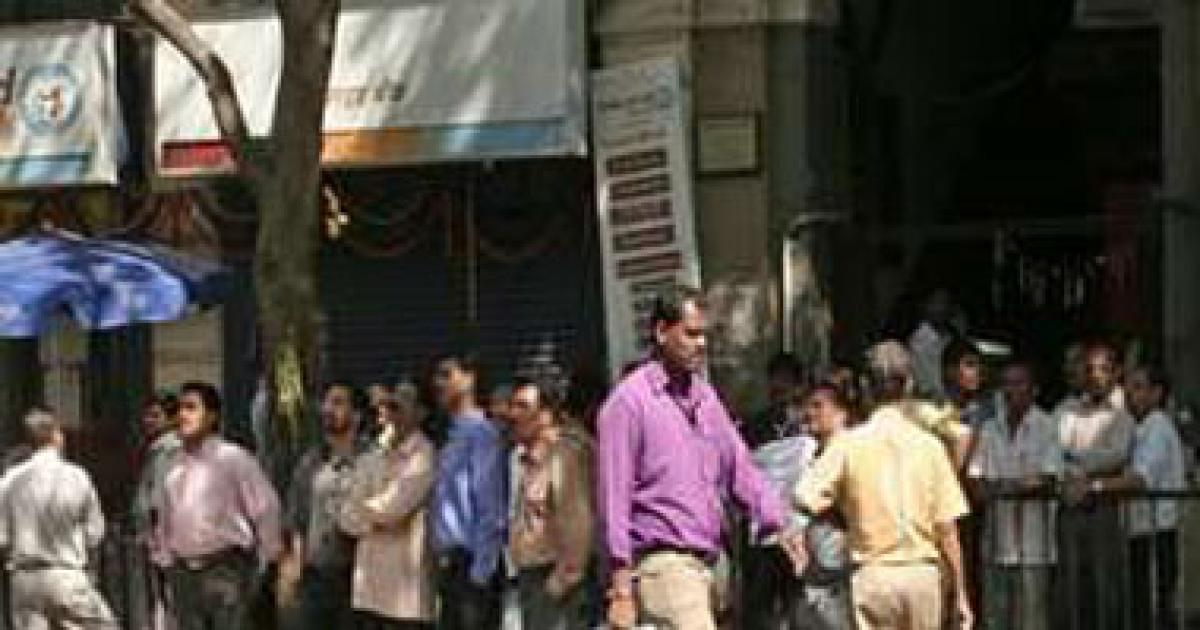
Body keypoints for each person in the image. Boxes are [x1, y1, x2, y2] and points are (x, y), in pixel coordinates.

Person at [595, 286, 805, 630]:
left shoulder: (704, 398)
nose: (702, 344)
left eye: (705, 335)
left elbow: (740, 468)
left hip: (713, 564)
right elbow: (613, 499)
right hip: (665, 566)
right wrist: (620, 586)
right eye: (691, 334)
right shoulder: (629, 403)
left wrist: (778, 522)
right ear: (661, 332)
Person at [794, 341, 972, 630]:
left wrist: (844, 513)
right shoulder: (929, 447)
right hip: (922, 576)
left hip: (873, 575)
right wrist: (961, 594)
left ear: (865, 387)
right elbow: (947, 530)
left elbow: (804, 496)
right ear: (910, 385)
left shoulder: (848, 444)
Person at [154, 381, 283, 630]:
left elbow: (266, 508)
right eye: (179, 409)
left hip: (225, 570)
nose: (182, 416)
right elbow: (166, 522)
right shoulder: (174, 469)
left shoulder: (233, 458)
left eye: (191, 408)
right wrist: (167, 564)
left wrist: (266, 565)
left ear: (212, 416)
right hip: (185, 577)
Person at [0, 408, 117, 630]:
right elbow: (94, 533)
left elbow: (2, 538)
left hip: (24, 580)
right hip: (66, 574)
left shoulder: (8, 481)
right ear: (57, 436)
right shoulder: (76, 476)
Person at [967, 359, 1063, 630]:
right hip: (996, 544)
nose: (1011, 390)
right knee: (995, 619)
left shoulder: (1047, 426)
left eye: (1019, 383)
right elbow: (976, 481)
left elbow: (1048, 477)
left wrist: (1001, 488)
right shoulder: (989, 429)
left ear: (1033, 389)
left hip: (1034, 546)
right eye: (1006, 384)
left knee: (1032, 620)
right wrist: (1015, 487)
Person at [1095, 364, 1186, 630]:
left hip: (1156, 531)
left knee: (1152, 607)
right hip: (1142, 530)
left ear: (1157, 393)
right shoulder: (1141, 427)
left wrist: (1096, 487)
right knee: (1140, 604)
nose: (1130, 394)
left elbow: (1139, 479)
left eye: (1138, 387)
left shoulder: (1157, 426)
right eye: (1128, 387)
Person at [340, 384, 437, 630]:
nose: (395, 411)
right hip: (368, 589)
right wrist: (369, 514)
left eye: (402, 404)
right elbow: (346, 516)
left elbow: (392, 509)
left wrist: (365, 510)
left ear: (421, 412)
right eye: (391, 405)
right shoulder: (376, 453)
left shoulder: (424, 455)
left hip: (404, 598)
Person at [1055, 341, 1134, 630]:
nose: (1096, 376)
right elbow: (1053, 449)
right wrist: (1073, 471)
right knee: (1071, 583)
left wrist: (1078, 465)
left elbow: (1117, 454)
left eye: (1103, 369)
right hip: (1070, 505)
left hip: (1104, 508)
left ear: (1116, 373)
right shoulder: (1069, 411)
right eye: (1090, 369)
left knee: (1106, 583)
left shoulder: (1123, 414)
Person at [507, 378, 594, 630]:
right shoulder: (529, 458)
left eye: (523, 406)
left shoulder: (563, 456)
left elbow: (578, 524)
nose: (513, 414)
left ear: (546, 415)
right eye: (512, 405)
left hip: (554, 581)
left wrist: (559, 583)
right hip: (533, 578)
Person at [430, 353, 508, 630]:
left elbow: (490, 504)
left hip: (472, 562)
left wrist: (480, 574)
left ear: (469, 378)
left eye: (447, 375)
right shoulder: (449, 436)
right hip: (450, 565)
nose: (439, 383)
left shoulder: (481, 433)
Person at [280, 383, 366, 629]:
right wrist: (293, 571)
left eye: (338, 403)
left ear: (357, 415)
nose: (327, 409)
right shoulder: (311, 461)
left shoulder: (371, 459)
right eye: (326, 402)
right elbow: (298, 519)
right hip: (316, 577)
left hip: (358, 578)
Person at [791, 381, 855, 630]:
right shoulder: (815, 453)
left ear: (841, 413)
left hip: (841, 569)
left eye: (818, 406)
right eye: (807, 406)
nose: (810, 413)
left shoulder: (848, 451)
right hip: (816, 571)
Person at [130, 392, 182, 630]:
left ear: (171, 419)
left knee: (168, 599)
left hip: (165, 539)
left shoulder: (168, 450)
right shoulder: (159, 450)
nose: (148, 421)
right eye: (147, 415)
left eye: (155, 415)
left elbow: (159, 499)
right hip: (162, 539)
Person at [909, 289, 957, 399]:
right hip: (933, 400)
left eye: (945, 303)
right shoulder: (919, 340)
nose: (941, 308)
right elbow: (926, 383)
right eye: (936, 303)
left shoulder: (951, 336)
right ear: (926, 307)